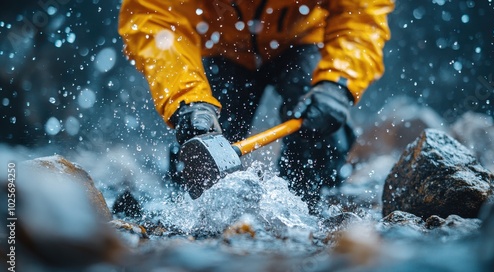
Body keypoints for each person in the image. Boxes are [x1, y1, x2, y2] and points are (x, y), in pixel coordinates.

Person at [118, 0, 394, 214]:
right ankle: (187, 215)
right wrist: (188, 101)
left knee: (320, 128)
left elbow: (360, 13)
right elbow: (155, 16)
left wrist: (338, 84)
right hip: (221, 46)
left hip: (301, 38)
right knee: (197, 140)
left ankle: (318, 212)